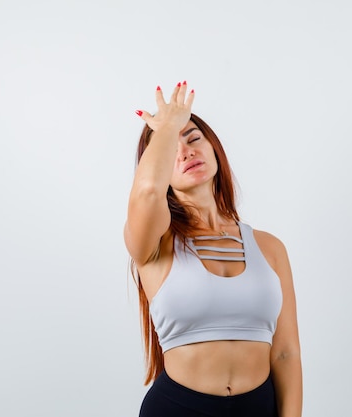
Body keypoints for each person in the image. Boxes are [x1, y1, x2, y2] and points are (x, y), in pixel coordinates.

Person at [124, 81, 302, 417]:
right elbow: (147, 192)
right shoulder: (153, 245)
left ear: (214, 148)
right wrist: (166, 126)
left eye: (193, 138)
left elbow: (286, 354)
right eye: (170, 149)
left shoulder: (270, 247)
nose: (187, 151)